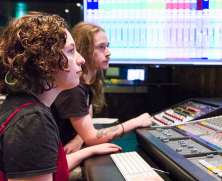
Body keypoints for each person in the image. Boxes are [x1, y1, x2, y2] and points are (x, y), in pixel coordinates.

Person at [0, 12, 170, 181]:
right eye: (71, 51)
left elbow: (45, 169)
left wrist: (87, 151)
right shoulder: (31, 121)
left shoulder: (28, 107)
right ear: (44, 62)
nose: (80, 59)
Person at [51, 22, 152, 154]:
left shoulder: (86, 84)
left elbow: (88, 116)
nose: (108, 53)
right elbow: (92, 138)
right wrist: (136, 122)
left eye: (107, 46)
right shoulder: (74, 88)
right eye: (101, 47)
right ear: (84, 51)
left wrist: (78, 139)